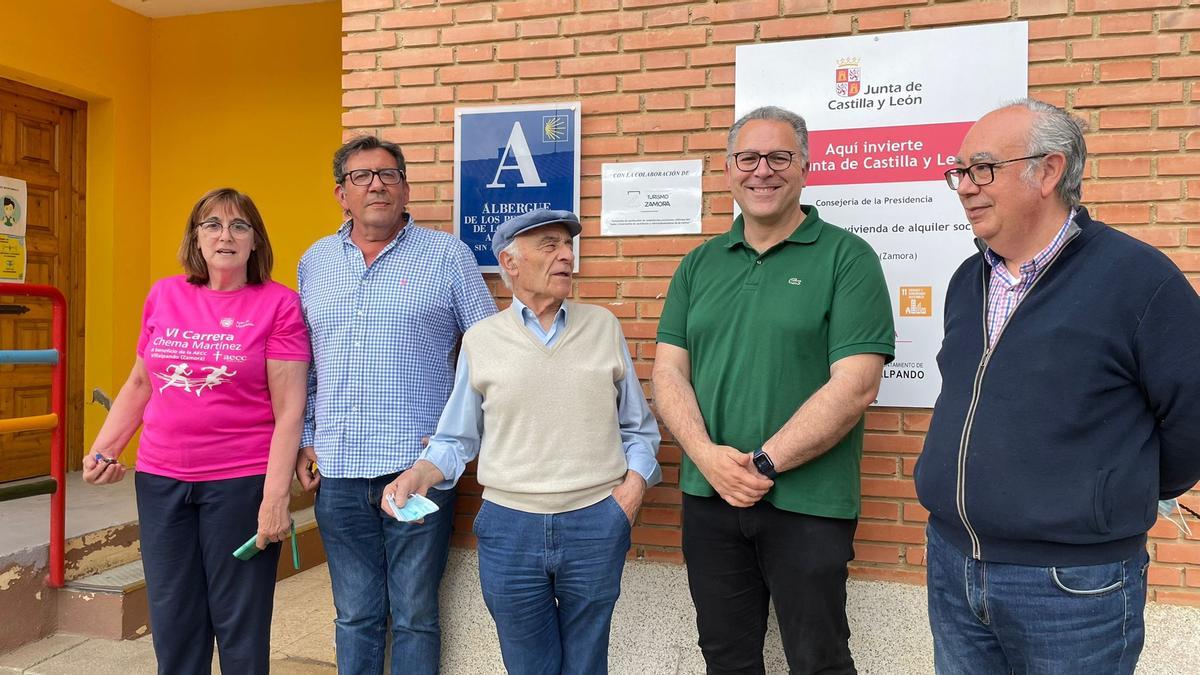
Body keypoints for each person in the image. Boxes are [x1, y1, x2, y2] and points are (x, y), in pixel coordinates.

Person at [914, 99, 1200, 674]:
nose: (965, 187)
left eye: (983, 169)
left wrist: (1112, 490)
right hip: (952, 563)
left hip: (1073, 585)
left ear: (1047, 171)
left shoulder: (1139, 281)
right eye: (959, 172)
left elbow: (1191, 418)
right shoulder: (965, 281)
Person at [652, 106, 895, 674]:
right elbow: (667, 375)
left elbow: (856, 385)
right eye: (748, 158)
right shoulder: (698, 264)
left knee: (819, 661)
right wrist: (710, 459)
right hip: (709, 496)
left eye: (779, 157)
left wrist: (763, 463)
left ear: (805, 168)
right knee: (725, 657)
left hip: (808, 502)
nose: (763, 170)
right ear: (729, 170)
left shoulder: (846, 257)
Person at [382, 209, 661, 675]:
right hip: (509, 529)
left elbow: (637, 427)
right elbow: (456, 437)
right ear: (510, 263)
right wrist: (420, 473)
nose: (566, 256)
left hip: (595, 521)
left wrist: (630, 492)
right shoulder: (481, 339)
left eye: (569, 246)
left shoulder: (603, 326)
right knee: (528, 665)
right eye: (550, 245)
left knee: (588, 664)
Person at [83, 188, 310, 674]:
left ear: (255, 241)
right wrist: (105, 448)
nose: (225, 235)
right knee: (173, 618)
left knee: (239, 622)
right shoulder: (164, 294)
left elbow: (290, 411)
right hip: (161, 480)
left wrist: (275, 499)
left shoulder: (278, 304)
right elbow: (141, 381)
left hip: (239, 482)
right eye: (212, 225)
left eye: (238, 226)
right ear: (196, 238)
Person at [297, 135, 495, 675]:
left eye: (388, 175)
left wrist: (460, 434)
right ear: (342, 194)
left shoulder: (448, 256)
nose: (376, 184)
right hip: (337, 470)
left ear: (406, 188)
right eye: (361, 177)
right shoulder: (314, 262)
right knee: (355, 615)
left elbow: (491, 355)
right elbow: (305, 365)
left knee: (413, 615)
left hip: (417, 471)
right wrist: (305, 437)